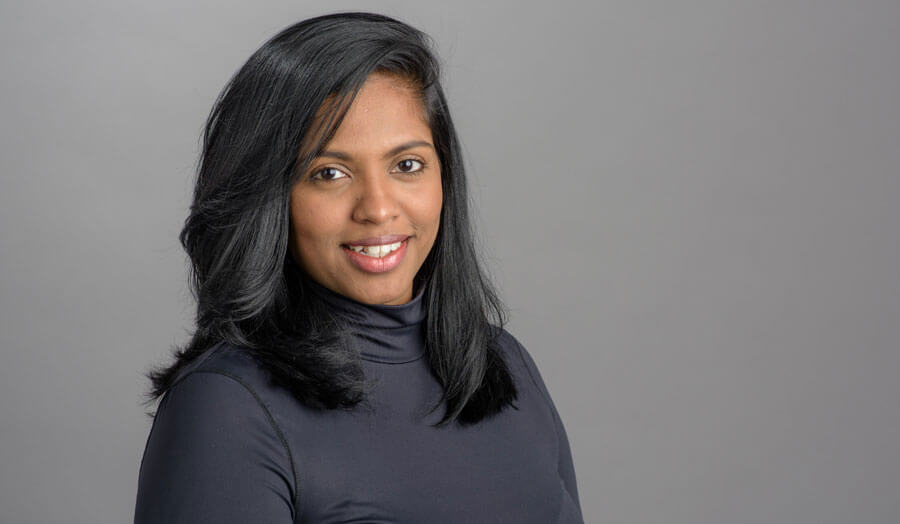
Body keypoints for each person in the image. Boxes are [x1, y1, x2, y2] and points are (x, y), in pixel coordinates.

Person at [134, 11, 583, 524]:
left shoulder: (506, 366)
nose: (377, 207)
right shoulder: (224, 411)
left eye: (407, 165)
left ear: (444, 176)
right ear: (269, 197)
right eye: (329, 173)